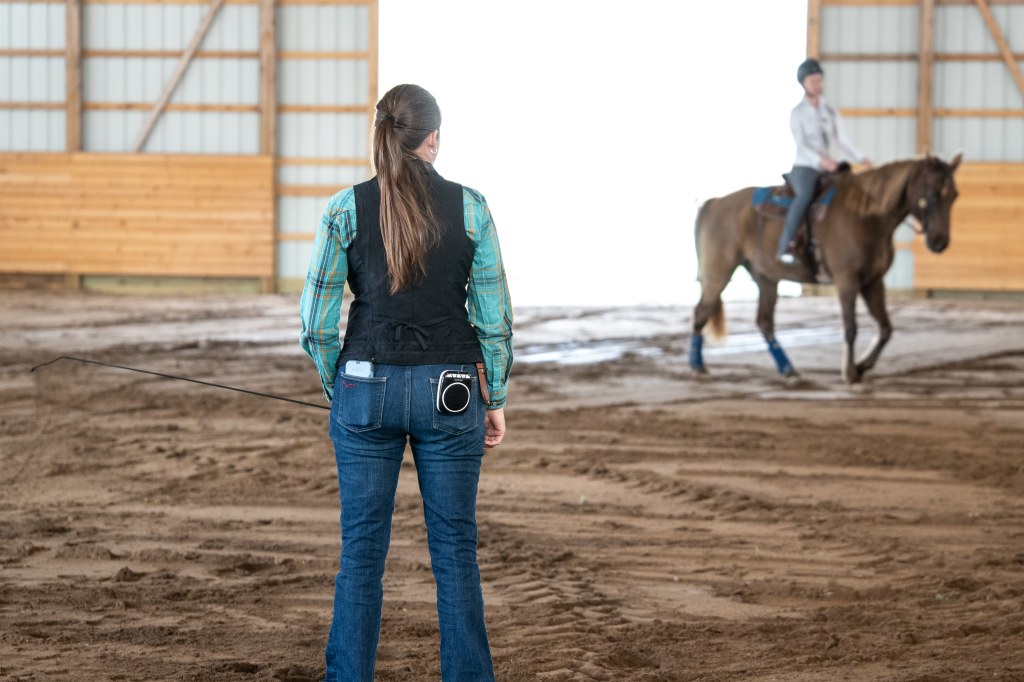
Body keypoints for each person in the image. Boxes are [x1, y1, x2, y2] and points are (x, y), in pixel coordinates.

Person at [299, 83, 512, 681]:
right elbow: (493, 319)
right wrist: (494, 395)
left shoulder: (344, 209)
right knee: (455, 552)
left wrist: (340, 390)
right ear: (433, 140)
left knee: (361, 553)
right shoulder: (472, 208)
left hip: (365, 387)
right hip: (453, 390)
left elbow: (315, 324)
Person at [777, 58, 872, 264]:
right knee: (805, 195)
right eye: (813, 81)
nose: (817, 85)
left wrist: (862, 158)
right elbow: (801, 145)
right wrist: (822, 161)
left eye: (819, 80)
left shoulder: (829, 110)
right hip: (805, 167)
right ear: (803, 83)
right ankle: (787, 244)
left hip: (829, 166)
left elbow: (842, 140)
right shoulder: (797, 113)